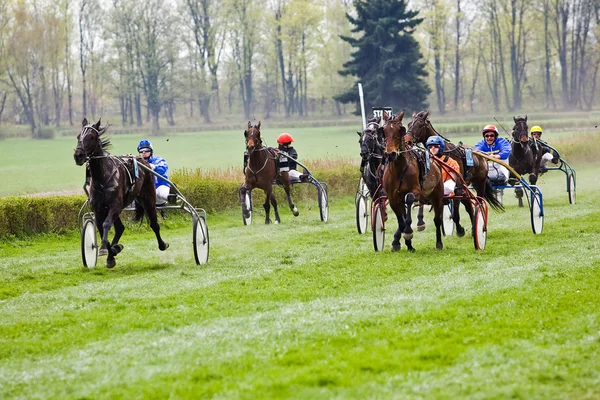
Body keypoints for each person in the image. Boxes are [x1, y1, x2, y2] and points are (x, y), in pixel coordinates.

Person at [137, 140, 176, 206]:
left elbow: (163, 169)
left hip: (158, 188)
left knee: (160, 190)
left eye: (146, 150)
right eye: (141, 151)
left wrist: (154, 167)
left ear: (151, 151)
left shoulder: (158, 160)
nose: (143, 152)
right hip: (144, 191)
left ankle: (170, 196)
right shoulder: (136, 163)